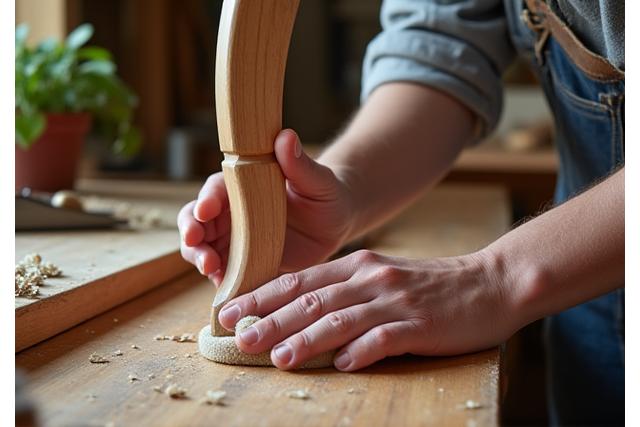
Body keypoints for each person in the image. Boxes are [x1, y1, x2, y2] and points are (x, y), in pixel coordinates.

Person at [178, 0, 624, 424]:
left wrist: (496, 277)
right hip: (584, 296)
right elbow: (442, 45)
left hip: (557, 265)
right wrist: (347, 188)